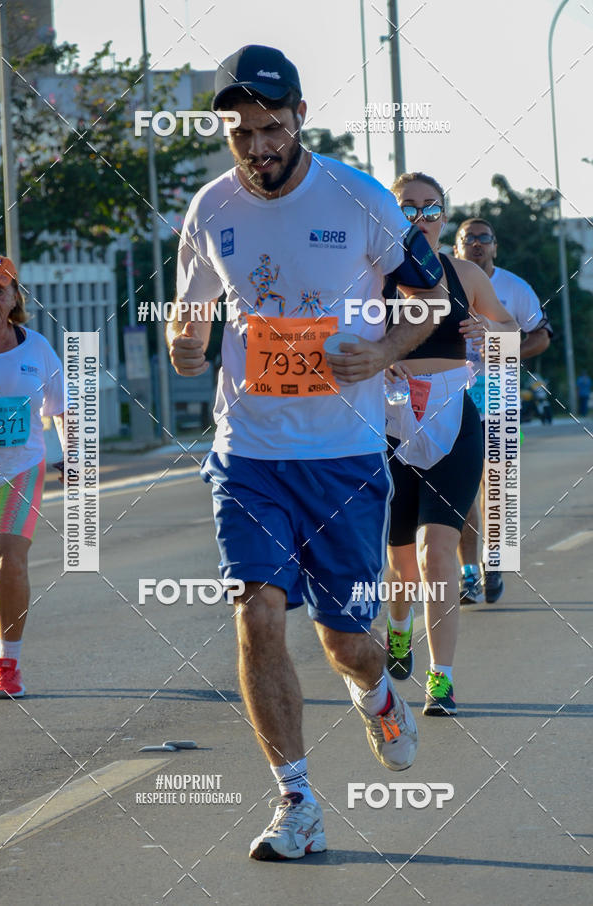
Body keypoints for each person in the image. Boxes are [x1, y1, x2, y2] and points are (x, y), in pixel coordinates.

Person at [167, 45, 446, 861]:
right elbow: (191, 322)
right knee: (255, 613)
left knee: (344, 641)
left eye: (271, 129)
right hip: (247, 452)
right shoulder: (210, 209)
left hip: (344, 456)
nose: (257, 147)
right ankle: (297, 804)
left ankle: (376, 691)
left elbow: (432, 299)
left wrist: (386, 350)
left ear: (299, 121)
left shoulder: (359, 200)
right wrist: (185, 349)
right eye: (241, 132)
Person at [383, 175, 519, 717]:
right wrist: (374, 354)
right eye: (408, 207)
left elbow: (510, 331)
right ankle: (398, 630)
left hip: (453, 417)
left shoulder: (462, 273)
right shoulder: (373, 276)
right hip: (390, 421)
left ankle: (441, 680)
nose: (421, 216)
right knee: (400, 564)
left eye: (430, 207)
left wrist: (490, 333)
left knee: (435, 551)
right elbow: (335, 337)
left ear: (443, 217)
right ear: (392, 216)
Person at [454, 218, 552, 604]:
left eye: (484, 238)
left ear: (495, 246)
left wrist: (505, 352)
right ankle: (467, 573)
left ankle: (493, 561)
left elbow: (541, 336)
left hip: (499, 394)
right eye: (468, 238)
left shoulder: (515, 287)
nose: (476, 244)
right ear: (457, 246)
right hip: (454, 394)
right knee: (461, 491)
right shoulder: (443, 280)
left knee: (495, 486)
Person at [0, 254, 65, 698]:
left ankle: (9, 662)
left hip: (20, 468)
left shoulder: (36, 347)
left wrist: (73, 458)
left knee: (9, 560)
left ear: (14, 297)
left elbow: (63, 408)